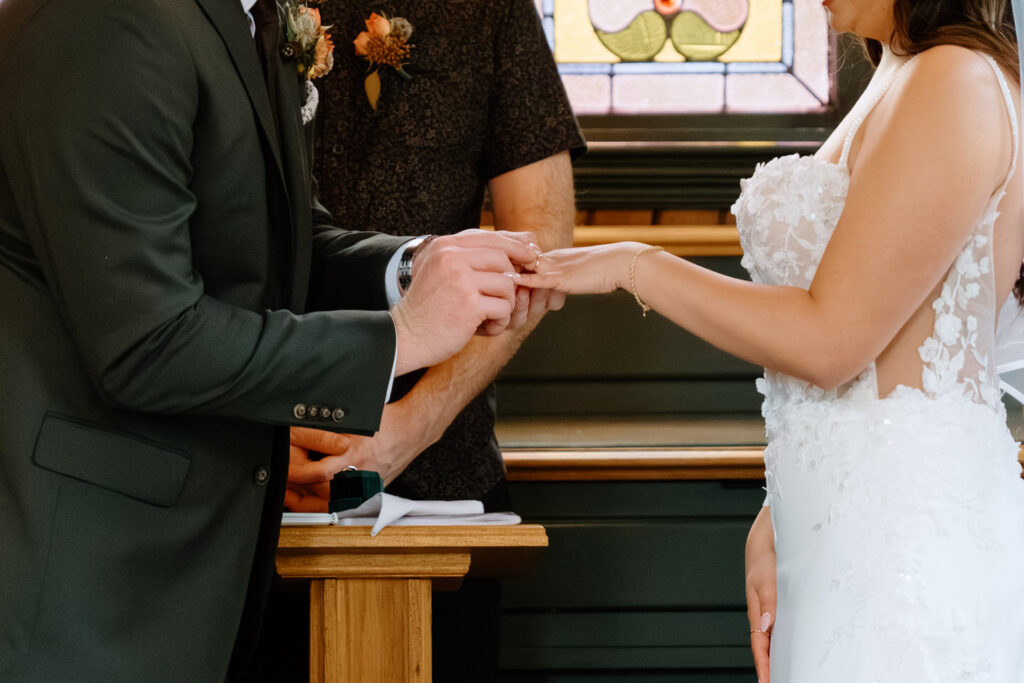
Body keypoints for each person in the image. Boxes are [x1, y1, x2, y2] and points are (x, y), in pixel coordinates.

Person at [0, 0, 544, 680]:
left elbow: (279, 242)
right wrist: (400, 339)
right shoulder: (104, 17)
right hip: (86, 578)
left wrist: (415, 268)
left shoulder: (242, 16)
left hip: (194, 567)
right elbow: (147, 342)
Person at [519, 0, 1024, 680]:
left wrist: (634, 263)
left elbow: (832, 341)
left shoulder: (955, 79)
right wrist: (775, 513)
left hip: (906, 551)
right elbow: (883, 348)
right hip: (838, 532)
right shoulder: (902, 72)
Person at [274, 1, 585, 678]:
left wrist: (410, 426)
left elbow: (539, 246)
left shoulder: (490, 11)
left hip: (444, 473)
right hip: (253, 466)